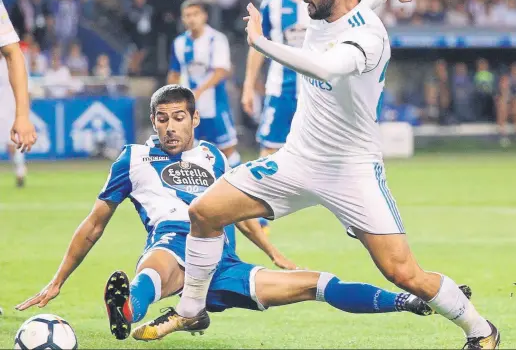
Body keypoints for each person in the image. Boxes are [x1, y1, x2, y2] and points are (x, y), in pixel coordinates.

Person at [141, 0, 499, 349]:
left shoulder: (369, 39)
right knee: (204, 212)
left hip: (352, 172)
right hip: (296, 161)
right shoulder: (333, 2)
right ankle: (191, 310)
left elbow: (326, 66)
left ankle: (481, 330)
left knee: (405, 274)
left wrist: (260, 43)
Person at [14, 85, 467, 341]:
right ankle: (129, 309)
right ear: (152, 121)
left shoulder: (214, 156)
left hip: (225, 265)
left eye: (178, 118)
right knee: (162, 261)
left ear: (194, 120)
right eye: (161, 118)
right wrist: (57, 280)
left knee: (316, 285)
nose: (170, 126)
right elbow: (94, 224)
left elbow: (242, 213)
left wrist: (274, 251)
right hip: (172, 242)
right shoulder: (131, 158)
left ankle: (410, 300)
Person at [241, 0, 416, 158]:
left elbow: (323, 69)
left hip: (348, 146)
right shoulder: (317, 5)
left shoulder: (365, 38)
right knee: (269, 158)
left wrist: (260, 42)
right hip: (285, 94)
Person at [168, 0, 241, 169]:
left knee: (227, 149)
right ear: (183, 19)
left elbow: (221, 71)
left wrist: (198, 91)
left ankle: (241, 186)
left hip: (214, 104)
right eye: (187, 15)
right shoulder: (179, 42)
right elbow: (174, 72)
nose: (192, 19)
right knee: (186, 149)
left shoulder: (216, 39)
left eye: (195, 14)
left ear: (204, 16)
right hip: (187, 108)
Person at [0, 0, 36, 180]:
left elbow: (13, 53)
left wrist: (22, 115)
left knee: (10, 142)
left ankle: (20, 169)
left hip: (8, 103)